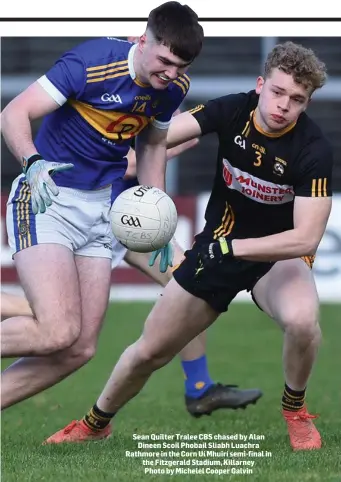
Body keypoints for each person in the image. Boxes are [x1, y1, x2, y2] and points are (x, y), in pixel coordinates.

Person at [45, 41, 333, 451]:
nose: (284, 104)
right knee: (149, 351)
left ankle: (295, 411)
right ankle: (95, 423)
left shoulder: (313, 149)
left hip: (276, 257)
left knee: (304, 321)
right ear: (260, 85)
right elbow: (156, 136)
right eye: (278, 91)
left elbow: (305, 238)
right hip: (217, 246)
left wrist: (234, 250)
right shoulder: (233, 108)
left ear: (307, 103)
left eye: (297, 99)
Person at [0, 14, 261, 416]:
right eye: (165, 62)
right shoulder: (92, 62)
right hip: (46, 199)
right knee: (57, 330)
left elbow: (153, 145)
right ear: (142, 40)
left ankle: (199, 385)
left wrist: (156, 213)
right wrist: (32, 161)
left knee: (80, 347)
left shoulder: (172, 89)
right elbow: (14, 113)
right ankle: (200, 386)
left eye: (181, 68)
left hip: (102, 209)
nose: (171, 74)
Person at [0, 138, 262, 415]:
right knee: (61, 321)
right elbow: (131, 163)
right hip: (91, 213)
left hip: (131, 216)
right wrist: (166, 142)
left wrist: (169, 137)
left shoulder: (163, 99)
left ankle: (199, 388)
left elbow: (178, 135)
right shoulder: (117, 103)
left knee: (189, 284)